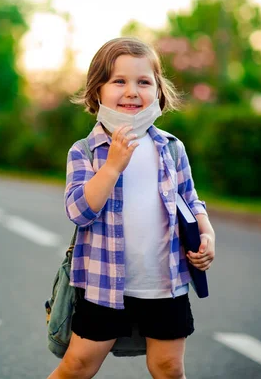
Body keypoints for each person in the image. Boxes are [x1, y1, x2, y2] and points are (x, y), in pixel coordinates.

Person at [48, 37, 216, 379]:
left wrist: (206, 231)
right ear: (97, 91)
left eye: (144, 82)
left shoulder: (170, 147)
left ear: (158, 91)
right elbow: (79, 211)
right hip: (103, 283)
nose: (132, 91)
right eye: (119, 81)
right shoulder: (86, 150)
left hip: (165, 281)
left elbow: (190, 199)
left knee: (168, 367)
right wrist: (111, 167)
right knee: (78, 365)